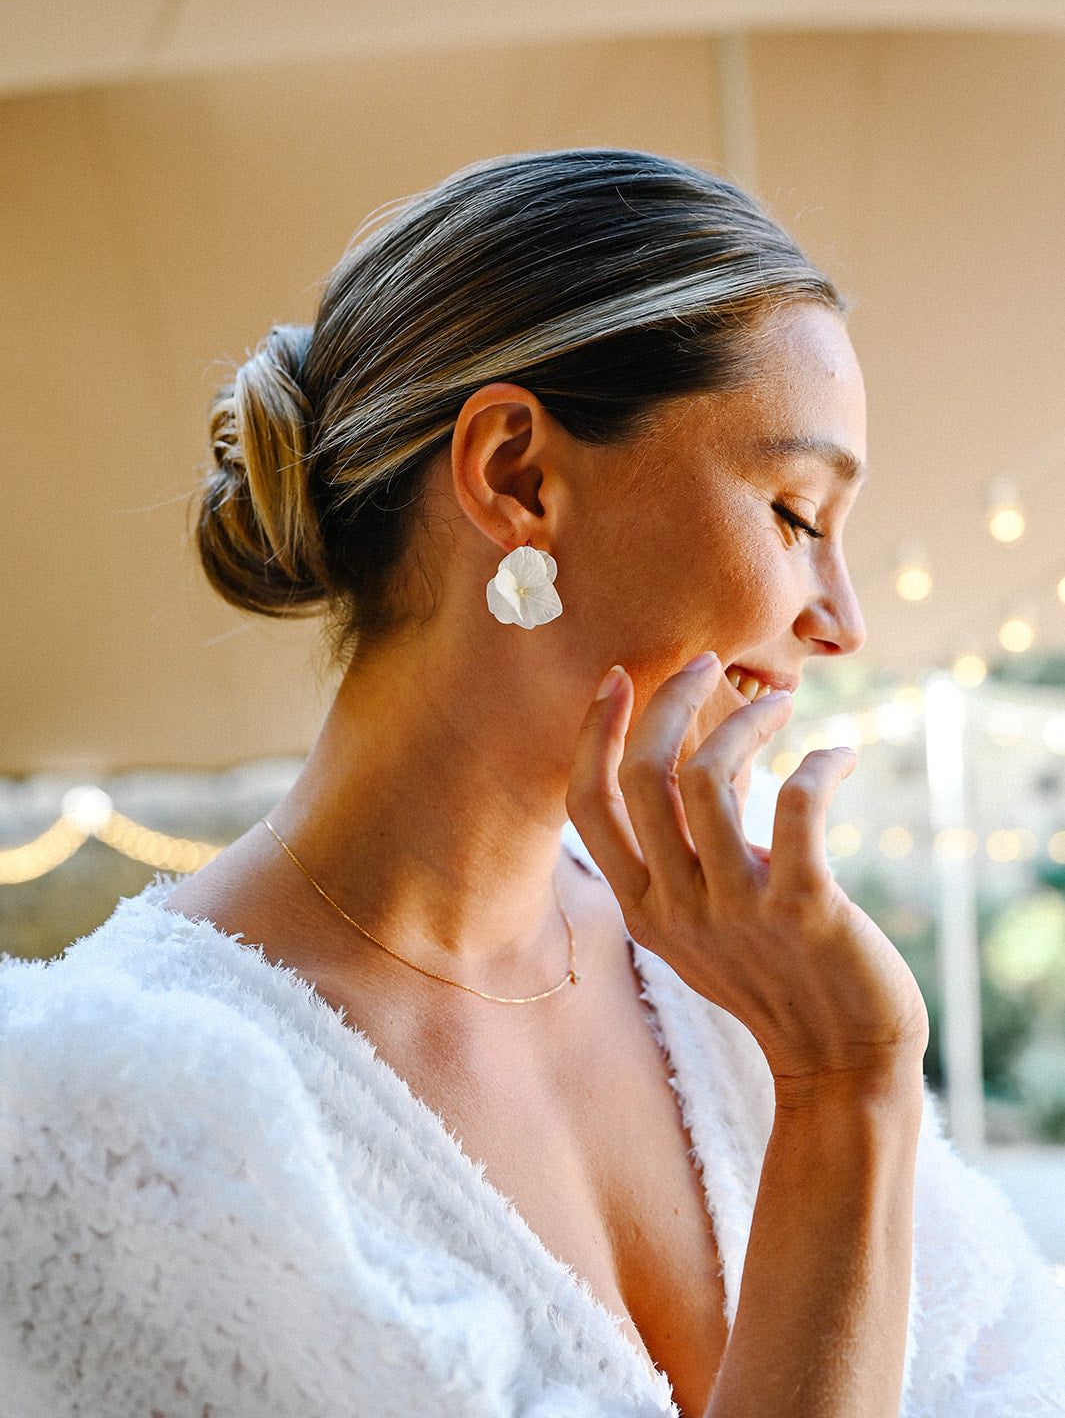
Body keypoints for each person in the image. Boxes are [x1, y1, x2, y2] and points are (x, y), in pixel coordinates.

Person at [1, 149, 1062, 1418]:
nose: (842, 620)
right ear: (517, 476)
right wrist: (847, 1092)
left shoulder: (721, 988)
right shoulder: (109, 1120)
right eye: (793, 512)